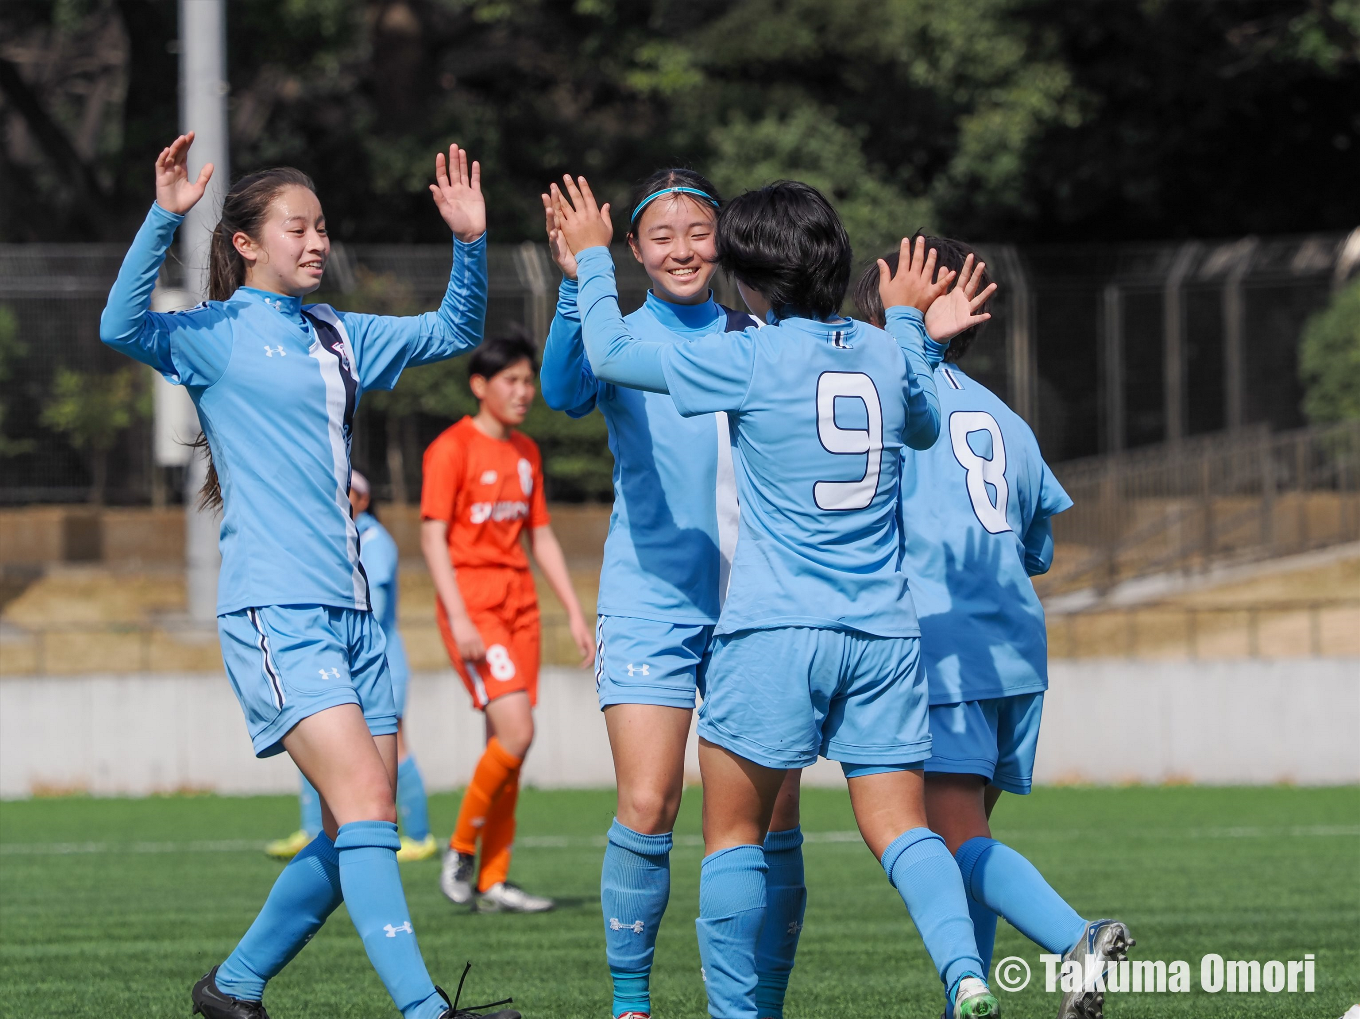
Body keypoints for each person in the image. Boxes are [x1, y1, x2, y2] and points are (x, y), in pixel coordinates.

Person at [550, 175, 1001, 1019]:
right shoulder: (880, 350)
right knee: (902, 827)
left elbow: (608, 357)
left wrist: (587, 262)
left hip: (773, 627)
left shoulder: (747, 352)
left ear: (745, 276)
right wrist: (905, 324)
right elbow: (924, 424)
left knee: (733, 836)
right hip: (882, 634)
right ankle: (965, 972)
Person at [100, 133, 517, 1019]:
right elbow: (119, 326)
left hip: (354, 613)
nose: (317, 241)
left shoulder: (340, 332)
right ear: (247, 243)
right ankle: (425, 1011)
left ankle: (235, 985)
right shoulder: (212, 334)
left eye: (323, 227)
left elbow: (455, 331)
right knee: (366, 802)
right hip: (277, 609)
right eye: (298, 228)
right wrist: (162, 218)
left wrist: (470, 242)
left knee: (355, 824)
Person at [539, 168, 805, 1019]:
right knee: (649, 802)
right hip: (650, 599)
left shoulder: (757, 333)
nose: (683, 249)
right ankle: (630, 1004)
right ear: (633, 250)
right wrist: (574, 279)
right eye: (661, 235)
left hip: (758, 608)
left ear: (723, 240)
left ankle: (760, 1004)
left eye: (698, 232)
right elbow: (563, 391)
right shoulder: (616, 330)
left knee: (771, 824)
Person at [854, 241, 1134, 1019]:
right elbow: (1035, 545)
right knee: (964, 841)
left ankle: (1076, 936)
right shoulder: (1006, 417)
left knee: (950, 841)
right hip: (1013, 653)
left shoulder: (878, 405)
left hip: (938, 653)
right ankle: (965, 1002)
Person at [422, 334, 595, 913]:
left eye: (528, 382)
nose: (524, 393)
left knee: (507, 745)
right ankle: (461, 850)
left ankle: (494, 880)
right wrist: (461, 616)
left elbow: (539, 534)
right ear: (481, 386)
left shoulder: (525, 452)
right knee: (518, 732)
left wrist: (573, 609)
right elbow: (433, 538)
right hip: (476, 608)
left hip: (521, 606)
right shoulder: (450, 449)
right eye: (512, 382)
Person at [267, 470, 436, 863]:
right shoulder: (337, 538)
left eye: (348, 492)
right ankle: (315, 830)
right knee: (319, 738)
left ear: (362, 497)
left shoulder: (373, 538)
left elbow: (369, 604)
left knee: (395, 742)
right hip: (345, 658)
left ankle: (420, 834)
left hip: (377, 658)